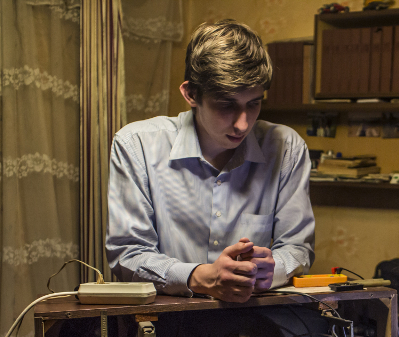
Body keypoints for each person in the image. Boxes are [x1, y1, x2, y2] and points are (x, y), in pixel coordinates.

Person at [106, 20, 315, 302]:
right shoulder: (136, 145)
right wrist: (201, 277)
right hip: (167, 325)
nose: (243, 124)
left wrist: (273, 268)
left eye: (253, 103)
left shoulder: (286, 147)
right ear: (191, 94)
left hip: (260, 324)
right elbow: (127, 254)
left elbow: (298, 249)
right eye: (227, 105)